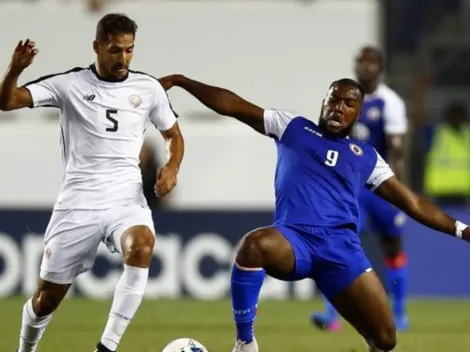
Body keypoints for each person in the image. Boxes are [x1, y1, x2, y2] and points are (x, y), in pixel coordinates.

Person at [159, 74, 470, 352]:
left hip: (341, 252)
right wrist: (184, 82)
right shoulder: (292, 127)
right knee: (253, 246)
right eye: (334, 99)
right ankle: (245, 343)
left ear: (358, 114)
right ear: (324, 102)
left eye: (349, 103)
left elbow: (412, 203)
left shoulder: (366, 157)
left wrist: (462, 230)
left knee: (386, 340)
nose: (339, 107)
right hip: (295, 241)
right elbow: (233, 105)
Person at [0, 13, 184, 352]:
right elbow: (6, 102)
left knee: (142, 245)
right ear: (97, 46)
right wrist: (14, 70)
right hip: (77, 203)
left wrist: (172, 166)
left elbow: (173, 134)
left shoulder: (147, 88)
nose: (123, 59)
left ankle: (106, 347)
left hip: (126, 200)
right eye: (115, 50)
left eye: (129, 50)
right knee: (45, 301)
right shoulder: (70, 84)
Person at [312, 46, 410, 331]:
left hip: (380, 186)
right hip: (352, 189)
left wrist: (397, 193)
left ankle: (400, 313)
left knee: (393, 247)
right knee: (339, 245)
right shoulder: (344, 101)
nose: (364, 67)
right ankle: (332, 315)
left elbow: (397, 151)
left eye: (370, 63)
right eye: (360, 62)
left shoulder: (390, 103)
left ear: (380, 68)